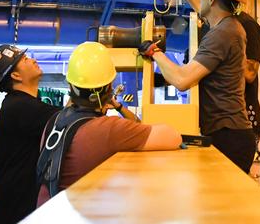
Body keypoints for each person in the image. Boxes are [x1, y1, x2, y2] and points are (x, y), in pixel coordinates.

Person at [143, 0, 256, 172]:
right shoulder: (227, 26)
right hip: (229, 133)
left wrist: (154, 52)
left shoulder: (223, 33)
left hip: (229, 136)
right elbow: (198, 2)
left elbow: (182, 80)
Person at [35, 41, 181, 202]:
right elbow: (173, 137)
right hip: (74, 221)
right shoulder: (108, 129)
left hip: (46, 216)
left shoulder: (55, 121)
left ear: (71, 85)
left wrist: (116, 105)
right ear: (109, 87)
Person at [174, 0, 260, 140]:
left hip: (238, 121)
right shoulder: (217, 23)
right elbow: (200, 3)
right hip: (218, 123)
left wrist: (212, 60)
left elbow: (249, 74)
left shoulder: (245, 26)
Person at [0, 44, 58, 224]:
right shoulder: (21, 107)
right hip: (16, 220)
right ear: (15, 76)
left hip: (18, 215)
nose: (33, 59)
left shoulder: (24, 105)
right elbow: (69, 120)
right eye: (24, 59)